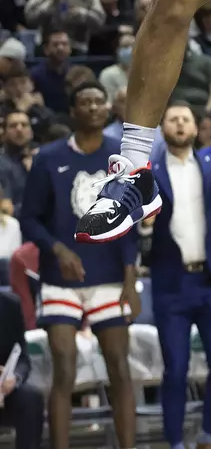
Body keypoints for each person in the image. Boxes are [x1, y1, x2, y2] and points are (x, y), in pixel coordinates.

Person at [21, 80, 140, 449]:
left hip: (108, 278)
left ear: (108, 110)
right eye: (84, 102)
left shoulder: (120, 158)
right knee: (65, 370)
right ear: (72, 111)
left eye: (98, 102)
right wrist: (57, 249)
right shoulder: (48, 157)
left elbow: (131, 219)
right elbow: (29, 219)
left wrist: (130, 279)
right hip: (60, 280)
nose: (92, 107)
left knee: (120, 369)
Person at [149, 102, 211, 449]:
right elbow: (136, 221)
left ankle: (208, 433)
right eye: (173, 119)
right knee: (175, 369)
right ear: (163, 127)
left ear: (197, 127)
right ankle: (175, 441)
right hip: (170, 281)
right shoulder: (150, 170)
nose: (179, 124)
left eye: (185, 119)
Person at [0, 290, 44, 448]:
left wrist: (15, 377)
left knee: (31, 398)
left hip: (3, 388)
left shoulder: (9, 304)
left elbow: (23, 357)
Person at [0, 111, 35, 216]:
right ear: (4, 134)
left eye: (24, 125)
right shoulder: (2, 164)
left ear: (31, 133)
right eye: (13, 126)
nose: (19, 129)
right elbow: (6, 209)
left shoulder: (41, 160)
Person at [29, 30, 71, 114]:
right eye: (55, 45)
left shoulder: (77, 73)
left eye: (64, 44)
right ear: (46, 49)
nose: (60, 48)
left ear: (70, 49)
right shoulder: (34, 74)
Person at [99, 32, 135, 102]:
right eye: (125, 46)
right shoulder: (107, 74)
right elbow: (107, 102)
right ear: (117, 50)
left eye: (133, 46)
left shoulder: (146, 74)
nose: (129, 50)